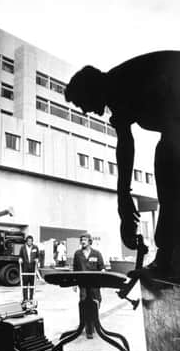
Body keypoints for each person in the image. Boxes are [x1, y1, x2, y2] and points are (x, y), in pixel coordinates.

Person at [65, 50, 180, 278]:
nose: (85, 110)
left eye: (82, 103)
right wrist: (123, 201)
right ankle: (169, 256)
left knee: (167, 164)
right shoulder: (118, 87)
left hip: (176, 127)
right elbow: (124, 146)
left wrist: (124, 201)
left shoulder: (117, 87)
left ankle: (168, 258)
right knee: (168, 163)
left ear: (91, 90)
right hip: (175, 127)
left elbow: (126, 148)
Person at [73, 233, 105, 338]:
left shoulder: (97, 253)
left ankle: (93, 322)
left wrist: (103, 275)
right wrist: (74, 283)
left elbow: (102, 268)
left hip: (94, 284)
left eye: (85, 239)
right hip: (82, 284)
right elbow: (75, 269)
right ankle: (88, 329)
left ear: (90, 241)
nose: (83, 241)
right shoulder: (77, 254)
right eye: (81, 239)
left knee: (96, 302)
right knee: (84, 302)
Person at [19, 235, 39, 303]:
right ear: (26, 241)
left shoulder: (35, 247)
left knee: (32, 284)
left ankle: (31, 298)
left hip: (32, 267)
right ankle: (25, 298)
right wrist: (20, 259)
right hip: (25, 267)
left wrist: (37, 259)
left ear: (32, 241)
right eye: (28, 241)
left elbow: (37, 256)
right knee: (25, 283)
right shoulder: (23, 247)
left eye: (31, 241)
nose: (30, 242)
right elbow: (20, 256)